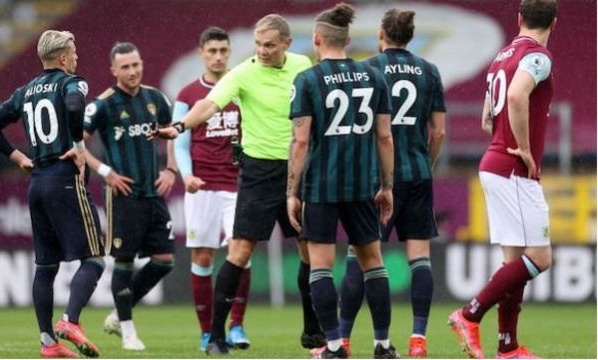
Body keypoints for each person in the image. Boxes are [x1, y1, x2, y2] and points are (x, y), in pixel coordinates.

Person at [151, 14, 322, 355]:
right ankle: (216, 336)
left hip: (299, 170)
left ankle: (313, 330)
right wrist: (180, 126)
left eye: (270, 45)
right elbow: (209, 104)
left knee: (310, 253)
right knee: (239, 252)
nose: (262, 51)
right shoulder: (243, 72)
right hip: (257, 173)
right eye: (258, 44)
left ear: (287, 44)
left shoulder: (304, 65)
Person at [0, 30, 104, 358]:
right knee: (93, 258)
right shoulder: (72, 82)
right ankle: (70, 321)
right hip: (65, 177)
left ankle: (48, 343)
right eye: (73, 52)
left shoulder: (25, 91)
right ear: (63, 58)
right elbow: (76, 105)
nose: (76, 57)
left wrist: (19, 157)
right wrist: (78, 146)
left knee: (46, 267)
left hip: (38, 184)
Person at [287, 3, 398, 359]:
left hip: (321, 186)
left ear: (316, 39)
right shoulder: (373, 76)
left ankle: (334, 347)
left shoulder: (307, 80)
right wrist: (388, 186)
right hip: (362, 185)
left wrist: (292, 191)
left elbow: (301, 141)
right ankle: (383, 346)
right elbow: (385, 137)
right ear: (348, 39)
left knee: (321, 266)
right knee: (373, 262)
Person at [448, 1, 557, 359]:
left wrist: (505, 137)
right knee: (540, 258)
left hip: (493, 163)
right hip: (513, 168)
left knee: (514, 263)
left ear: (519, 18)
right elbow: (514, 95)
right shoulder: (538, 57)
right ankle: (470, 314)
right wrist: (523, 147)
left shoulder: (500, 58)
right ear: (554, 22)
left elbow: (485, 119)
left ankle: (507, 347)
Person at [338, 8, 446, 358]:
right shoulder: (429, 71)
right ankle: (418, 339)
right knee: (420, 258)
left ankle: (344, 341)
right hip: (417, 173)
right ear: (410, 36)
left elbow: (360, 125)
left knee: (362, 258)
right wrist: (425, 162)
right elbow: (439, 130)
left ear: (382, 33)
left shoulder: (368, 69)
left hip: (375, 177)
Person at [83, 42, 177, 351]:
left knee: (164, 261)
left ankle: (117, 314)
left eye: (136, 64)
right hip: (122, 194)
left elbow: (171, 133)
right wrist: (105, 171)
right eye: (125, 67)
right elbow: (76, 145)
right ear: (114, 71)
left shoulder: (156, 99)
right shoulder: (103, 105)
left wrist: (170, 170)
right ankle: (127, 331)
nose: (133, 71)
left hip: (153, 192)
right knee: (124, 263)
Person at [173, 26, 251, 352]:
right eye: (212, 51)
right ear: (202, 53)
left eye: (223, 50)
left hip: (237, 186)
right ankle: (207, 332)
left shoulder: (243, 89)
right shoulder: (187, 95)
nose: (218, 56)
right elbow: (180, 142)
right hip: (202, 186)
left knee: (239, 254)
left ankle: (236, 326)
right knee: (203, 257)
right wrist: (187, 176)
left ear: (229, 52)